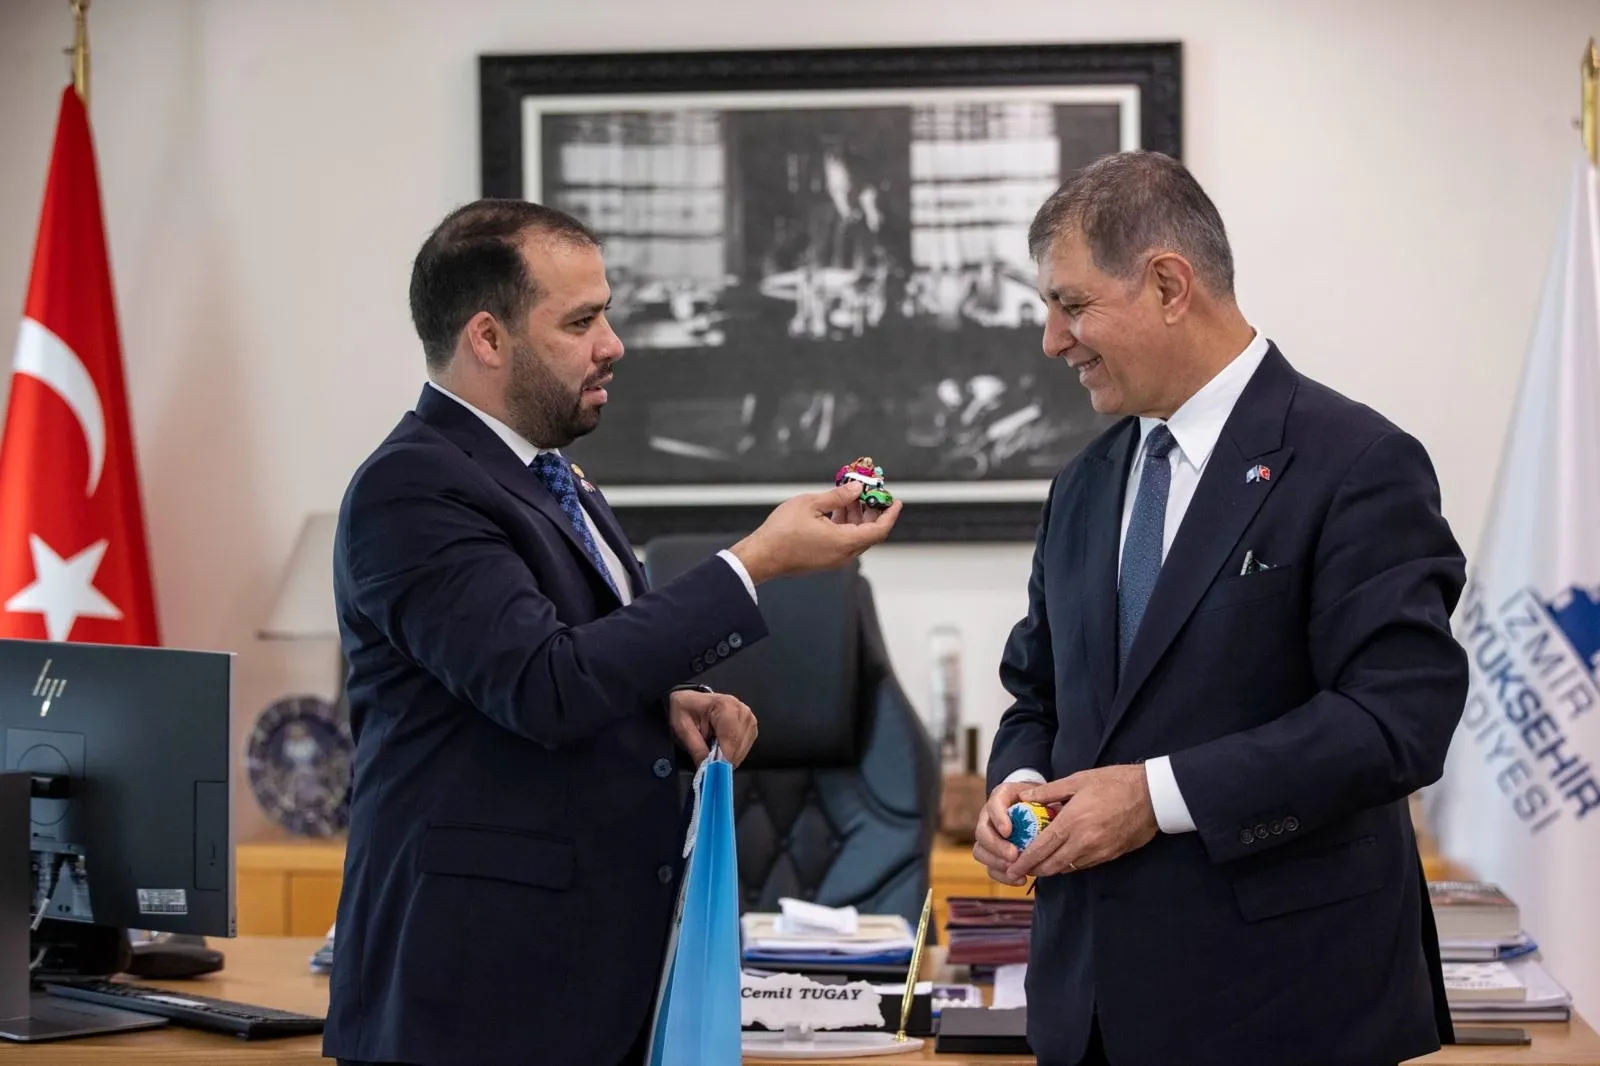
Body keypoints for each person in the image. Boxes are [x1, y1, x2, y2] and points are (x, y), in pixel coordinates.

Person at [322, 198, 901, 1066]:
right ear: (488, 338)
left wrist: (662, 703)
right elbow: (546, 686)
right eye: (581, 321)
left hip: (587, 988)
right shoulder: (411, 488)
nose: (613, 344)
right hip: (476, 1002)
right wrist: (755, 562)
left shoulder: (554, 478)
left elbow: (565, 663)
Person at [975, 152, 1465, 1066]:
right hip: (1088, 1013)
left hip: (1286, 1009)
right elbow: (1038, 694)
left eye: (1071, 305)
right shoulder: (1083, 484)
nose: (1052, 340)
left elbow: (1397, 719)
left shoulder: (1357, 462)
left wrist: (1155, 797)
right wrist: (1017, 786)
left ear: (1169, 285)